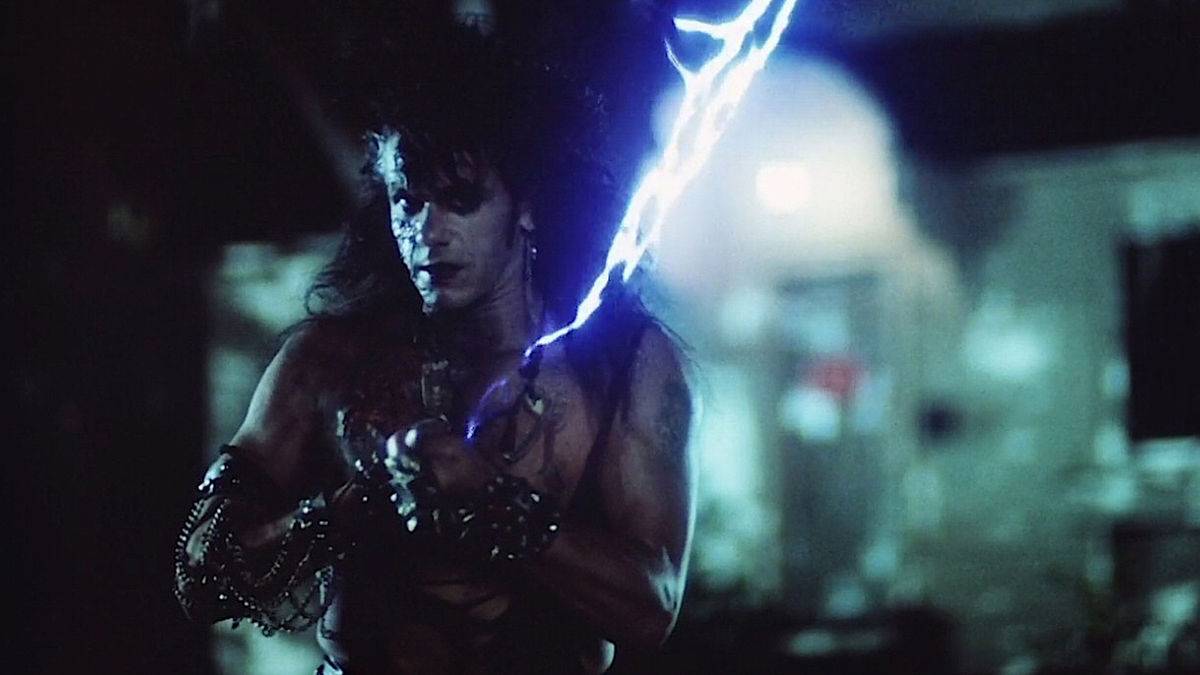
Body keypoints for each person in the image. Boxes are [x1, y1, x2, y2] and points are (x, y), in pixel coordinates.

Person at [175, 8, 695, 674]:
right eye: (407, 200)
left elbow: (652, 607)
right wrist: (347, 510)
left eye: (459, 199)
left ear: (528, 204)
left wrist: (490, 500)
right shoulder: (325, 363)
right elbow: (200, 574)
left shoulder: (621, 366)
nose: (426, 231)